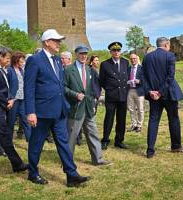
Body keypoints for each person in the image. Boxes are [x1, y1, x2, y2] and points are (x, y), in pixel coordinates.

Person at [25, 29, 89, 187]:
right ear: (47, 42)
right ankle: (33, 173)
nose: (60, 43)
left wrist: (65, 105)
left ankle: (72, 175)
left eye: (60, 40)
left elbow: (59, 84)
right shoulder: (35, 60)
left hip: (59, 111)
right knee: (36, 144)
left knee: (63, 144)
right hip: (42, 112)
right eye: (56, 40)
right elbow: (29, 87)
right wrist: (30, 111)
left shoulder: (57, 60)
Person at [64, 45, 111, 166]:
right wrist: (75, 95)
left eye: (85, 54)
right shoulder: (69, 70)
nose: (83, 56)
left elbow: (93, 89)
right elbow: (63, 87)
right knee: (72, 136)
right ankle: (67, 161)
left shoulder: (91, 70)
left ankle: (98, 159)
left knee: (93, 133)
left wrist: (94, 103)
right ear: (76, 54)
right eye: (81, 53)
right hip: (76, 108)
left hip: (89, 107)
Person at [142, 37, 183, 159]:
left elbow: (143, 77)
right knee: (173, 119)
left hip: (153, 95)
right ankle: (176, 146)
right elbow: (170, 77)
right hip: (168, 94)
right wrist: (160, 92)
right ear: (167, 45)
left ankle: (150, 151)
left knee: (153, 121)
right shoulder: (170, 56)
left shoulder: (147, 57)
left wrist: (151, 91)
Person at [99, 42, 129, 150]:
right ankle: (105, 140)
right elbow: (101, 80)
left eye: (118, 50)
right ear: (110, 52)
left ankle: (119, 140)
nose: (116, 52)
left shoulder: (126, 62)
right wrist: (109, 88)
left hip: (123, 96)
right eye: (114, 51)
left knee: (121, 120)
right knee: (109, 119)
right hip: (111, 96)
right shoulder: (105, 64)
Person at [7, 51, 31, 141]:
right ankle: (8, 141)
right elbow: (7, 86)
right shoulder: (9, 70)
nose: (23, 63)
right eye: (21, 61)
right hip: (13, 99)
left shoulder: (22, 70)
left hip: (22, 99)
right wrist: (10, 98)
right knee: (11, 121)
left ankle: (30, 139)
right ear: (16, 60)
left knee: (25, 119)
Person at [127, 53, 145, 132]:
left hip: (139, 90)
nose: (133, 60)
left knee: (140, 109)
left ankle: (139, 125)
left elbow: (146, 79)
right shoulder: (128, 68)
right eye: (131, 59)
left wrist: (140, 81)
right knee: (131, 108)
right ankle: (134, 124)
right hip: (130, 90)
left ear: (137, 59)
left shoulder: (142, 68)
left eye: (134, 58)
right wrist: (127, 82)